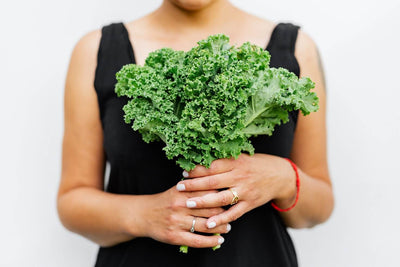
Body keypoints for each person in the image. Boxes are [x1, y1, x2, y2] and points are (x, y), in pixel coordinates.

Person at [57, 0, 334, 266]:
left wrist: (282, 178)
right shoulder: (95, 51)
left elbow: (320, 205)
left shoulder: (297, 49)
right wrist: (145, 215)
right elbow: (73, 201)